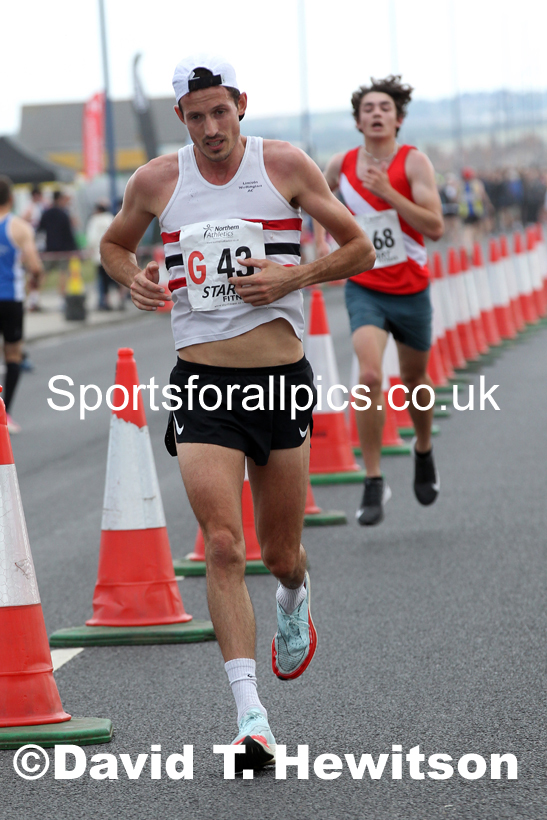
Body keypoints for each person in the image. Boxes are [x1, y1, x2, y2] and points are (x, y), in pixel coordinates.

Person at [100, 54, 375, 771]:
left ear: (240, 106)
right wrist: (133, 278)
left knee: (279, 554)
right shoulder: (157, 181)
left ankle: (293, 596)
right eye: (196, 117)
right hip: (204, 387)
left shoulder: (284, 165)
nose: (211, 128)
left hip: (280, 383)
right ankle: (251, 717)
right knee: (222, 544)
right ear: (180, 120)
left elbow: (357, 247)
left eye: (220, 112)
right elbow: (113, 242)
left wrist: (293, 274)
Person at [315, 75, 444, 526]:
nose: (376, 113)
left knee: (415, 381)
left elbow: (435, 227)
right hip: (365, 285)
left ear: (398, 118)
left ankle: (423, 448)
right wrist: (319, 240)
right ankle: (373, 480)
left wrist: (390, 194)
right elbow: (315, 199)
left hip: (411, 288)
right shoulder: (340, 164)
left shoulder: (414, 163)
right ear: (357, 120)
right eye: (368, 108)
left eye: (384, 108)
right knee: (368, 375)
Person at [0, 176, 44, 432]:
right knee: (13, 355)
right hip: (10, 299)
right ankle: (5, 413)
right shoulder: (19, 227)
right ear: (11, 198)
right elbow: (35, 267)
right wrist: (35, 281)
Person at [86, 201, 115, 309]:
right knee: (111, 278)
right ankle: (114, 299)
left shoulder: (94, 220)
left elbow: (91, 238)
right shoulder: (110, 218)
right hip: (110, 254)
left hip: (98, 255)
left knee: (101, 279)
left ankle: (103, 301)